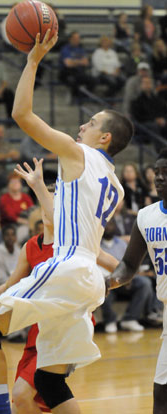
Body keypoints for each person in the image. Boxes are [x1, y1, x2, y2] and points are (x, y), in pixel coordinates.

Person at [0, 30, 133, 414]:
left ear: (104, 136)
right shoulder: (118, 187)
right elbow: (67, 220)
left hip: (68, 265)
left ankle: (0, 410)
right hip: (90, 281)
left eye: (90, 123)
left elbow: (21, 114)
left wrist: (33, 60)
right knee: (48, 381)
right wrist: (42, 190)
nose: (81, 127)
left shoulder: (78, 154)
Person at [0, 158, 119, 414]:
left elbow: (118, 266)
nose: (52, 206)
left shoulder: (76, 240)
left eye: (58, 201)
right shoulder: (31, 247)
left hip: (64, 322)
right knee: (29, 400)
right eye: (48, 200)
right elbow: (12, 283)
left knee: (26, 393)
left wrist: (101, 286)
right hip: (38, 328)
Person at [106, 147, 167, 414]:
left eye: (166, 173)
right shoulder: (145, 216)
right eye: (157, 172)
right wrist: (108, 282)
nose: (160, 178)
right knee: (161, 392)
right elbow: (129, 264)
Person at [100, 219, 154, 333]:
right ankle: (110, 321)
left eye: (111, 224)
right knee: (101, 285)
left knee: (145, 283)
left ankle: (130, 319)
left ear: (115, 227)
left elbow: (130, 264)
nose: (109, 227)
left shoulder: (122, 243)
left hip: (125, 277)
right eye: (107, 225)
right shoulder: (97, 245)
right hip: (107, 278)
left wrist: (126, 278)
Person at [0, 172, 34, 244]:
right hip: (10, 225)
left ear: (21, 184)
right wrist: (24, 221)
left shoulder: (26, 197)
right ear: (8, 184)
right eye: (12, 181)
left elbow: (32, 210)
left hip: (27, 223)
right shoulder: (4, 198)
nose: (15, 183)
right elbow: (9, 215)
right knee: (25, 230)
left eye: (17, 181)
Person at [58, 31, 95, 99]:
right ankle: (74, 97)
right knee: (74, 80)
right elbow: (68, 64)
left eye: (78, 38)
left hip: (79, 72)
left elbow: (86, 62)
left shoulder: (81, 49)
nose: (78, 40)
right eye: (76, 38)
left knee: (93, 80)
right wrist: (80, 62)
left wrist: (74, 62)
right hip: (67, 73)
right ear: (70, 39)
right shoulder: (65, 49)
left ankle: (82, 97)